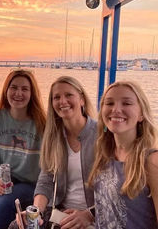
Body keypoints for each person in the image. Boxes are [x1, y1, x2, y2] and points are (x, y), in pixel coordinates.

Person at [9, 75, 97, 229]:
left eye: (69, 95)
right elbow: (46, 180)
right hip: (60, 212)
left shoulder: (101, 135)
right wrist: (36, 212)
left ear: (82, 99)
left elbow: (115, 189)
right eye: (57, 97)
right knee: (17, 226)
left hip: (92, 215)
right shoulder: (54, 137)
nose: (62, 101)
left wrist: (89, 214)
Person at [88, 80, 158, 229]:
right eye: (109, 103)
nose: (116, 110)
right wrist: (88, 213)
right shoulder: (105, 154)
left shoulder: (155, 161)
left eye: (127, 103)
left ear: (141, 115)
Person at [0, 69, 46, 229]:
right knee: (2, 206)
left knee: (3, 206)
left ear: (32, 93)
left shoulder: (43, 122)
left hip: (29, 184)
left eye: (25, 89)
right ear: (6, 90)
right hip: (0, 183)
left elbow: (50, 162)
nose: (18, 93)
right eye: (14, 87)